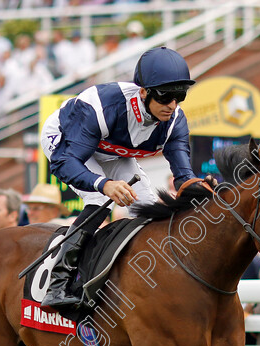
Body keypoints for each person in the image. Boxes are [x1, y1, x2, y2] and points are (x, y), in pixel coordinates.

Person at [39, 47, 204, 310]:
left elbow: (184, 177)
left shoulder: (175, 122)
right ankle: (58, 282)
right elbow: (65, 163)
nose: (172, 105)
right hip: (68, 144)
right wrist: (103, 184)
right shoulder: (101, 107)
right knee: (96, 199)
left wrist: (202, 188)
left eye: (179, 96)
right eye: (165, 96)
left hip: (112, 149)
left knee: (148, 207)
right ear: (143, 92)